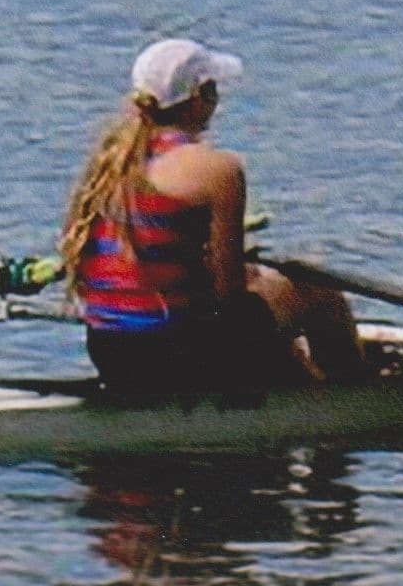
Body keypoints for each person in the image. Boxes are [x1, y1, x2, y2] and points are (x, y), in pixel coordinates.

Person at [64, 37, 368, 402]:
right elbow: (228, 297)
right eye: (214, 90)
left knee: (260, 294)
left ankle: (299, 380)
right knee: (315, 288)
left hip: (110, 352)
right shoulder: (218, 170)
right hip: (178, 357)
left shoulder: (110, 162)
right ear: (198, 98)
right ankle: (353, 402)